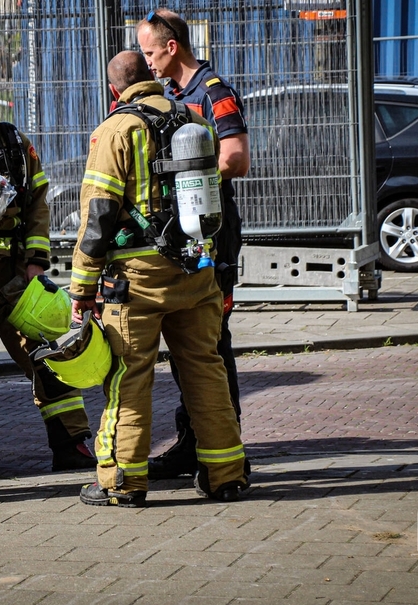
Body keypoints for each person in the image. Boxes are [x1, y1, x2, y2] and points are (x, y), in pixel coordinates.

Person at [68, 50, 247, 508]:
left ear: (114, 90)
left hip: (137, 280)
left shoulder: (116, 130)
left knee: (129, 376)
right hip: (195, 269)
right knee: (206, 370)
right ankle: (226, 475)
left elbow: (98, 215)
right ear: (151, 76)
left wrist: (82, 288)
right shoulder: (194, 120)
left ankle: (122, 482)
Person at [0, 68, 95, 474]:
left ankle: (71, 442)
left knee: (47, 354)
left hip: (14, 276)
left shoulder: (15, 143)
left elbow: (38, 201)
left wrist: (36, 260)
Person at [136, 8, 251, 480]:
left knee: (211, 341)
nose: (146, 62)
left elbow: (236, 159)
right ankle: (193, 441)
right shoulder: (171, 96)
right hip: (183, 232)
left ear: (172, 46)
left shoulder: (214, 92)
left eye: (149, 52)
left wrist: (187, 179)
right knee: (188, 339)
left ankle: (224, 445)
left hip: (214, 233)